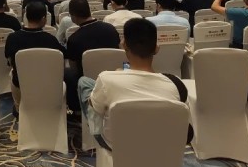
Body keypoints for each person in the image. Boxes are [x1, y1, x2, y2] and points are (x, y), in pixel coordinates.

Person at [77, 18, 190, 150]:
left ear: (124, 44)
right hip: (159, 143)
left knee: (85, 83)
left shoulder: (106, 79)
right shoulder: (175, 85)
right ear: (156, 48)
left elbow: (97, 110)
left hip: (115, 145)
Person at [4, 2, 65, 114]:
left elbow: (9, 61)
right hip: (48, 85)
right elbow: (62, 57)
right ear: (43, 19)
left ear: (26, 17)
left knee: (11, 73)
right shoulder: (50, 39)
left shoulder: (12, 38)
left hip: (21, 84)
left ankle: (19, 108)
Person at [65, 0, 120, 111]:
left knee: (67, 72)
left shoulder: (74, 39)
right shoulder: (110, 29)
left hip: (88, 82)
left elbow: (74, 69)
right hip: (114, 77)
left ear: (73, 16)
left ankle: (76, 110)